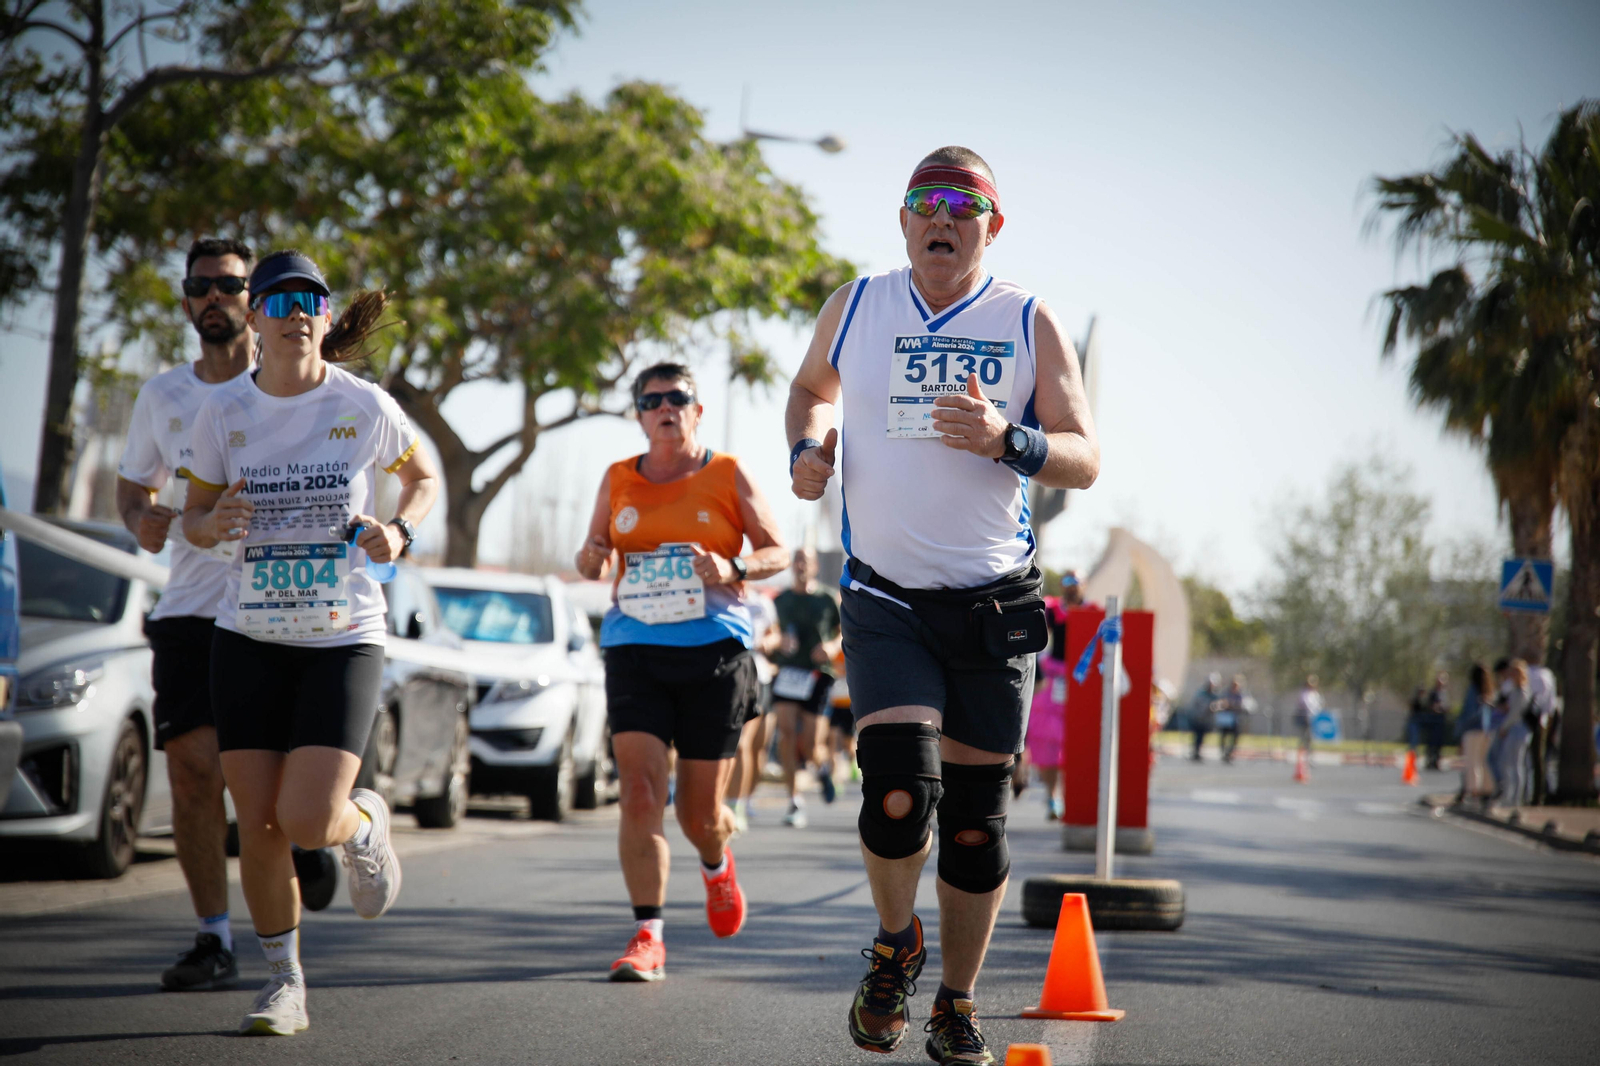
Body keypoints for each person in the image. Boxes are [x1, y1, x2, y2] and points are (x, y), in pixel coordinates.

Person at [787, 146, 1098, 1066]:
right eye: (927, 200)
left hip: (992, 603)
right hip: (884, 596)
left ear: (990, 226)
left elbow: (1085, 452)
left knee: (972, 822)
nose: (943, 217)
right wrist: (807, 452)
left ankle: (956, 1004)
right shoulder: (857, 304)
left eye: (964, 205)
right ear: (903, 219)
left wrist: (1014, 440)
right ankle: (895, 946)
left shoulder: (1028, 320)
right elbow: (811, 391)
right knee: (893, 795)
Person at [181, 250, 439, 1035]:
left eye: (312, 299)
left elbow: (422, 478)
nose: (298, 310)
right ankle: (283, 983)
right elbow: (192, 518)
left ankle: (360, 826)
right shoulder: (223, 413)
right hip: (248, 634)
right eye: (281, 298)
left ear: (326, 318)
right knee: (255, 823)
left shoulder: (363, 405)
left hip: (341, 636)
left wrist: (398, 529)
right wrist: (210, 523)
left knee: (305, 817)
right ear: (256, 316)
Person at [117, 237, 325, 992]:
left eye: (229, 285)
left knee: (274, 791)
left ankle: (312, 835)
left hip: (287, 605)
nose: (214, 298)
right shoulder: (164, 397)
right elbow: (134, 487)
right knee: (196, 776)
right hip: (192, 608)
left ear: (254, 299)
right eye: (200, 286)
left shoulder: (299, 386)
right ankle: (214, 936)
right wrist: (141, 517)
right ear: (186, 301)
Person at [574, 362, 787, 983]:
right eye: (652, 399)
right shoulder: (618, 478)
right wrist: (590, 557)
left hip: (714, 652)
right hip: (634, 647)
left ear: (697, 411)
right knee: (639, 793)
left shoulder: (728, 472)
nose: (665, 407)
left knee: (699, 816)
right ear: (639, 414)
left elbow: (775, 549)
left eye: (678, 398)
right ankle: (648, 935)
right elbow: (592, 558)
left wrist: (731, 568)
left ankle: (717, 865)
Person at [771, 547, 843, 827]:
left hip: (818, 674)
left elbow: (843, 631)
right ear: (792, 565)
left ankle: (822, 768)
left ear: (815, 567)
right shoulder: (781, 600)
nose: (801, 565)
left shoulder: (826, 598)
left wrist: (830, 647)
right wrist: (779, 641)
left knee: (812, 745)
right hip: (789, 672)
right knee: (786, 734)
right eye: (797, 560)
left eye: (807, 561)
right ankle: (794, 799)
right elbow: (770, 631)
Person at [727, 588, 779, 833]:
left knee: (751, 747)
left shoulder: (762, 603)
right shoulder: (717, 596)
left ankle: (740, 802)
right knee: (734, 744)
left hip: (758, 677)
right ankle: (729, 804)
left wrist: (767, 642)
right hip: (725, 673)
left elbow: (775, 634)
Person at [1022, 591, 1070, 819]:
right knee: (1046, 741)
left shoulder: (1091, 612)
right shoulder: (1053, 610)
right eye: (1067, 582)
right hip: (1051, 682)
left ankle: (1067, 796)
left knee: (1071, 745)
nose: (1071, 586)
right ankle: (1053, 796)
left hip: (1079, 680)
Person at [1496, 659, 1533, 806]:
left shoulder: (1523, 691)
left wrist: (1504, 727)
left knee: (1516, 764)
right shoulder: (1515, 690)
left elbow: (1515, 713)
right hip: (1514, 729)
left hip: (1518, 730)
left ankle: (1516, 798)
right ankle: (1509, 795)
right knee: (1507, 763)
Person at [1456, 663, 1494, 804]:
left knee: (1472, 762)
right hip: (1485, 731)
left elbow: (1469, 713)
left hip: (1472, 730)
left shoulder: (1473, 690)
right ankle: (1487, 789)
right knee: (1483, 761)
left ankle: (1474, 791)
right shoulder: (1488, 691)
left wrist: (1460, 728)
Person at [1188, 673, 1223, 762]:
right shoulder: (1201, 693)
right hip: (1198, 718)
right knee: (1197, 736)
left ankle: (1199, 752)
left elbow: (1218, 705)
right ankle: (1195, 752)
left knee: (1202, 736)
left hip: (1207, 720)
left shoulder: (1215, 695)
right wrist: (1208, 707)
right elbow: (1198, 705)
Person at [1217, 675, 1247, 763]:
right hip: (1226, 718)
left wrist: (1233, 705)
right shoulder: (1226, 693)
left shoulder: (1240, 695)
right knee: (1223, 736)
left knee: (1235, 737)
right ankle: (1224, 752)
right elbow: (1221, 703)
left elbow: (1242, 705)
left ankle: (1230, 753)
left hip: (1235, 719)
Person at [1292, 675, 1322, 754]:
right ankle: (1301, 749)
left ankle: (1309, 750)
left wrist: (1316, 711)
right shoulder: (1304, 693)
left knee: (1311, 735)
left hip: (1313, 717)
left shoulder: (1315, 693)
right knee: (1304, 734)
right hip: (1305, 717)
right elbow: (1304, 703)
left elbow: (1318, 703)